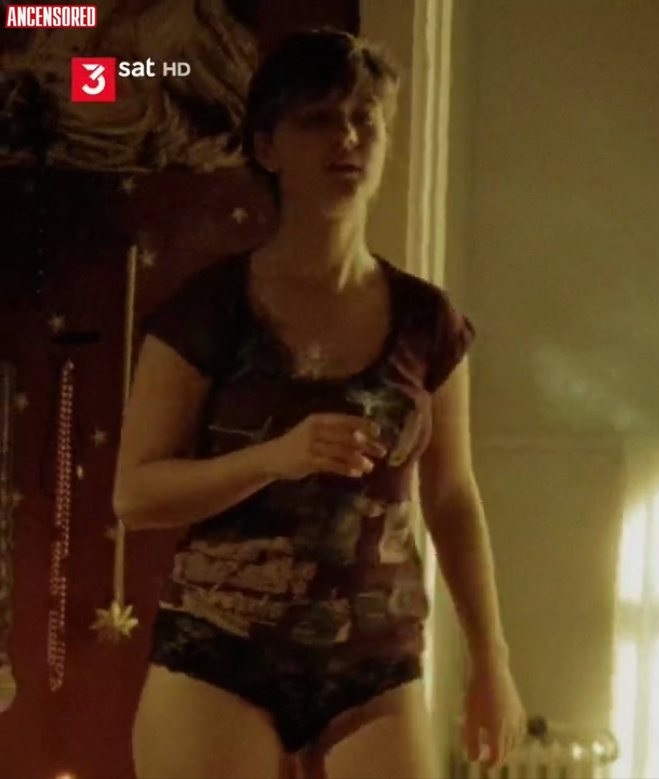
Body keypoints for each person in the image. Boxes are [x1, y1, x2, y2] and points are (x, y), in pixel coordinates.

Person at [112, 28, 526, 778]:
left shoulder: (427, 320)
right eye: (319, 119)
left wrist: (490, 663)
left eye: (366, 118)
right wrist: (274, 457)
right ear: (268, 147)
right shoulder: (210, 309)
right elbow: (136, 494)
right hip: (220, 653)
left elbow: (453, 498)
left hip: (377, 662)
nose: (349, 138)